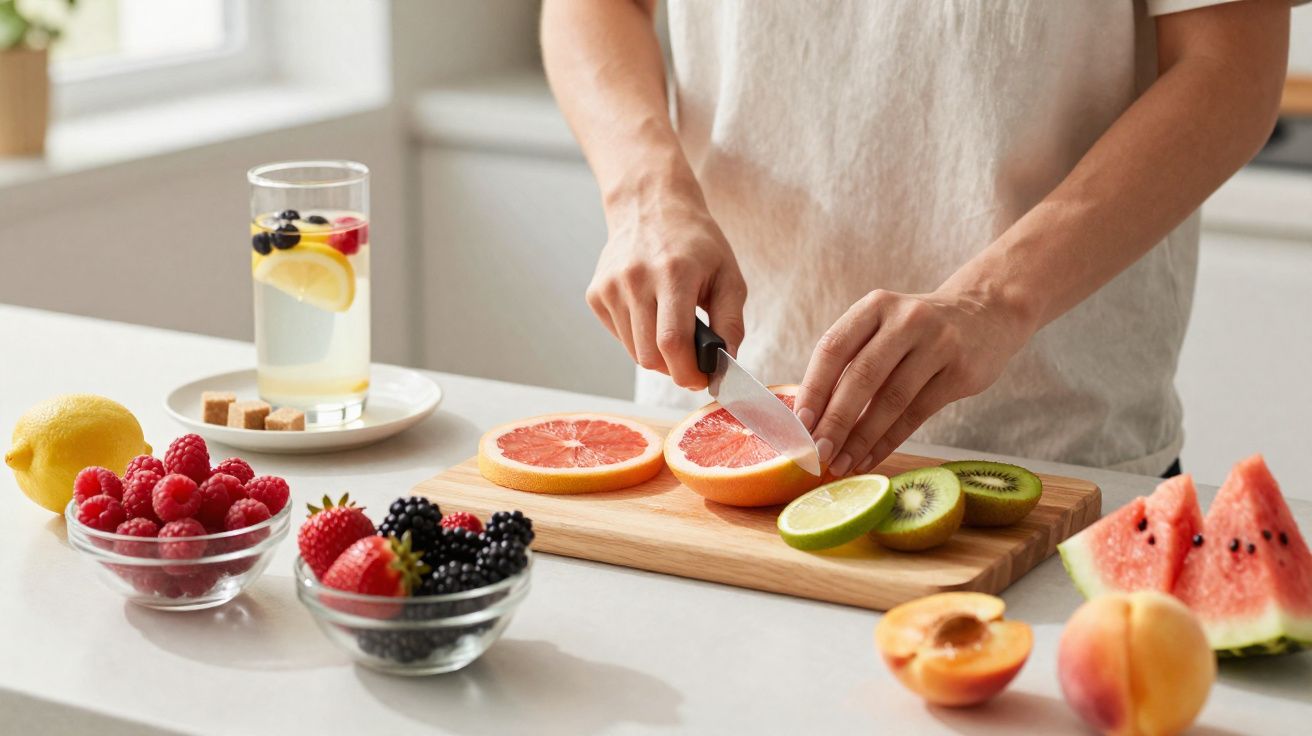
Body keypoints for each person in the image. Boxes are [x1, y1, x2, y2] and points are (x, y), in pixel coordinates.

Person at [541, 0, 1296, 478]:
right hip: (716, 427)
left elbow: (1231, 67)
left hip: (1049, 449)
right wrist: (644, 191)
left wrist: (991, 300)